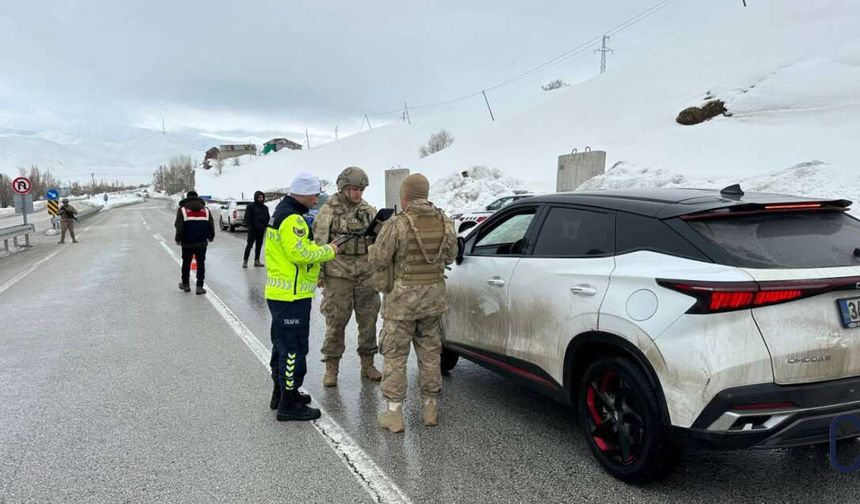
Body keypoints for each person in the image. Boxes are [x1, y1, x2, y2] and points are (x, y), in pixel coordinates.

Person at [366, 173, 457, 432]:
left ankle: (394, 415)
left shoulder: (397, 224)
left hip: (401, 305)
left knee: (395, 356)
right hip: (433, 301)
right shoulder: (445, 222)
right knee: (430, 354)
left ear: (405, 196)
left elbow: (378, 261)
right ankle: (430, 408)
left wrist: (372, 247)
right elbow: (450, 256)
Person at [265, 172, 339, 422]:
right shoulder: (292, 219)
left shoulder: (281, 212)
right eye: (315, 194)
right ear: (304, 193)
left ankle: (283, 393)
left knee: (282, 346)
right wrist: (329, 250)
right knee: (293, 349)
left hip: (283, 293)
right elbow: (300, 253)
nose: (316, 198)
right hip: (291, 296)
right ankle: (288, 404)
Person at [313, 166, 382, 387]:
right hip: (338, 273)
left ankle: (368, 364)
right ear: (343, 187)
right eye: (353, 188)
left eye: (361, 189)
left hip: (365, 272)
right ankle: (331, 368)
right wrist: (320, 274)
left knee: (369, 320)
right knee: (336, 322)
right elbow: (319, 243)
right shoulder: (329, 211)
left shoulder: (369, 210)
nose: (358, 193)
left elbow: (379, 240)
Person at [174, 190, 215, 295]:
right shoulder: (205, 210)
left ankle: (186, 284)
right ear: (197, 198)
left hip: (187, 243)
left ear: (187, 198)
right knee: (201, 264)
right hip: (201, 242)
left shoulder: (182, 210)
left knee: (186, 264)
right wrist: (211, 236)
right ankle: (199, 287)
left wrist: (178, 239)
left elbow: (179, 226)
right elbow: (211, 224)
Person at [243, 190, 270, 268]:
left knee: (259, 246)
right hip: (252, 230)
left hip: (261, 230)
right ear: (256, 197)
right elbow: (247, 218)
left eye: (262, 197)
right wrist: (250, 226)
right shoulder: (251, 206)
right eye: (259, 197)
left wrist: (266, 226)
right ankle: (245, 261)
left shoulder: (265, 208)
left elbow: (267, 218)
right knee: (249, 245)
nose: (261, 199)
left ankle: (257, 261)